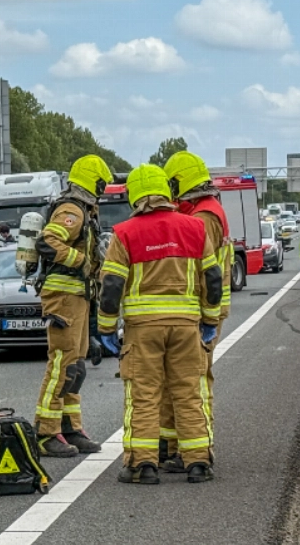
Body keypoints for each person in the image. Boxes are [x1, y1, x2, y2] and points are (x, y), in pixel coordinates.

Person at [96, 164, 223, 485]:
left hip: (143, 330)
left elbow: (111, 285)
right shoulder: (195, 228)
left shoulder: (125, 233)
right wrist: (209, 319)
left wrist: (107, 328)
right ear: (167, 192)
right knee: (188, 392)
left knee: (144, 395)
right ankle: (198, 462)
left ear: (135, 196)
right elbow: (213, 278)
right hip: (186, 328)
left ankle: (142, 466)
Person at [32, 154, 113, 458]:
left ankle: (70, 428)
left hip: (77, 297)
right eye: (103, 184)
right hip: (63, 295)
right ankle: (45, 432)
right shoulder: (72, 209)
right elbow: (48, 242)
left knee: (76, 368)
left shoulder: (83, 209)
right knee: (62, 367)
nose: (104, 190)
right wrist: (83, 262)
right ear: (95, 181)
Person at [162, 150, 231, 472]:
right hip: (197, 310)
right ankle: (177, 447)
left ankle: (198, 451)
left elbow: (205, 272)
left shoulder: (205, 216)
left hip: (202, 311)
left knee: (195, 382)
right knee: (180, 380)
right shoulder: (203, 210)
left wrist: (207, 316)